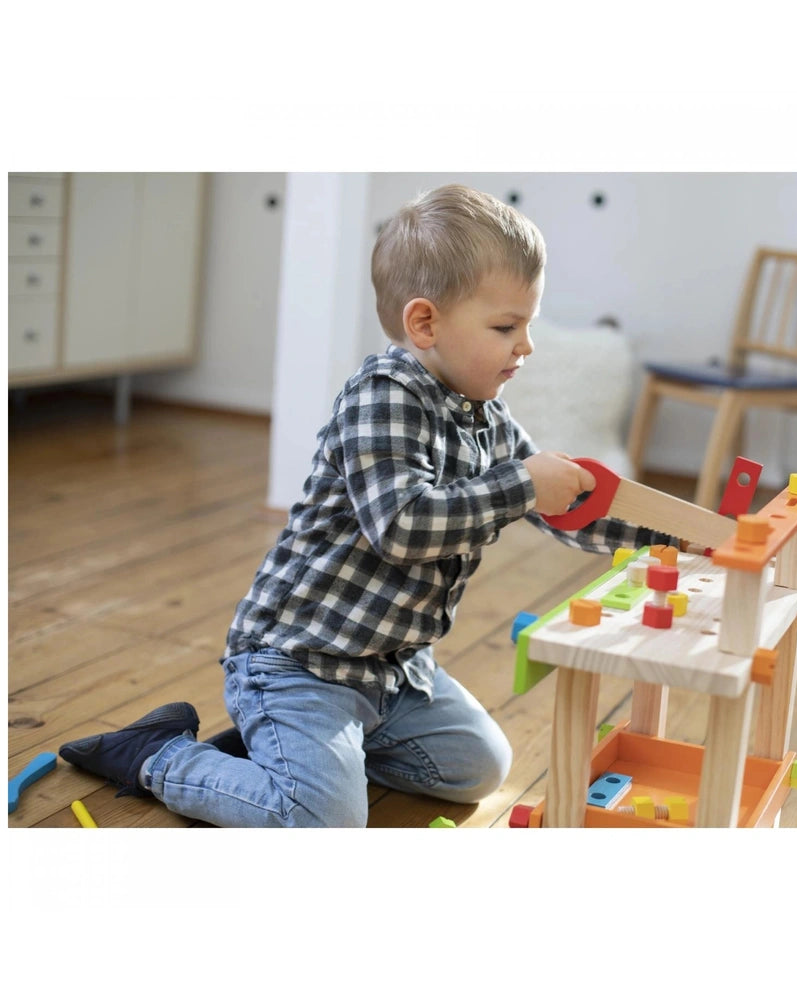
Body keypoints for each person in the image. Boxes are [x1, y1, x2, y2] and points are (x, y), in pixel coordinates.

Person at [59, 183, 680, 827]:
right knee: (322, 823)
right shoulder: (382, 397)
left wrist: (673, 539)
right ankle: (159, 754)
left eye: (528, 323)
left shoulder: (484, 414)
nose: (526, 346)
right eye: (506, 326)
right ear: (424, 322)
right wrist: (523, 484)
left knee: (479, 768)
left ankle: (294, 755)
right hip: (299, 661)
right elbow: (403, 525)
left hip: (391, 669)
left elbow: (566, 502)